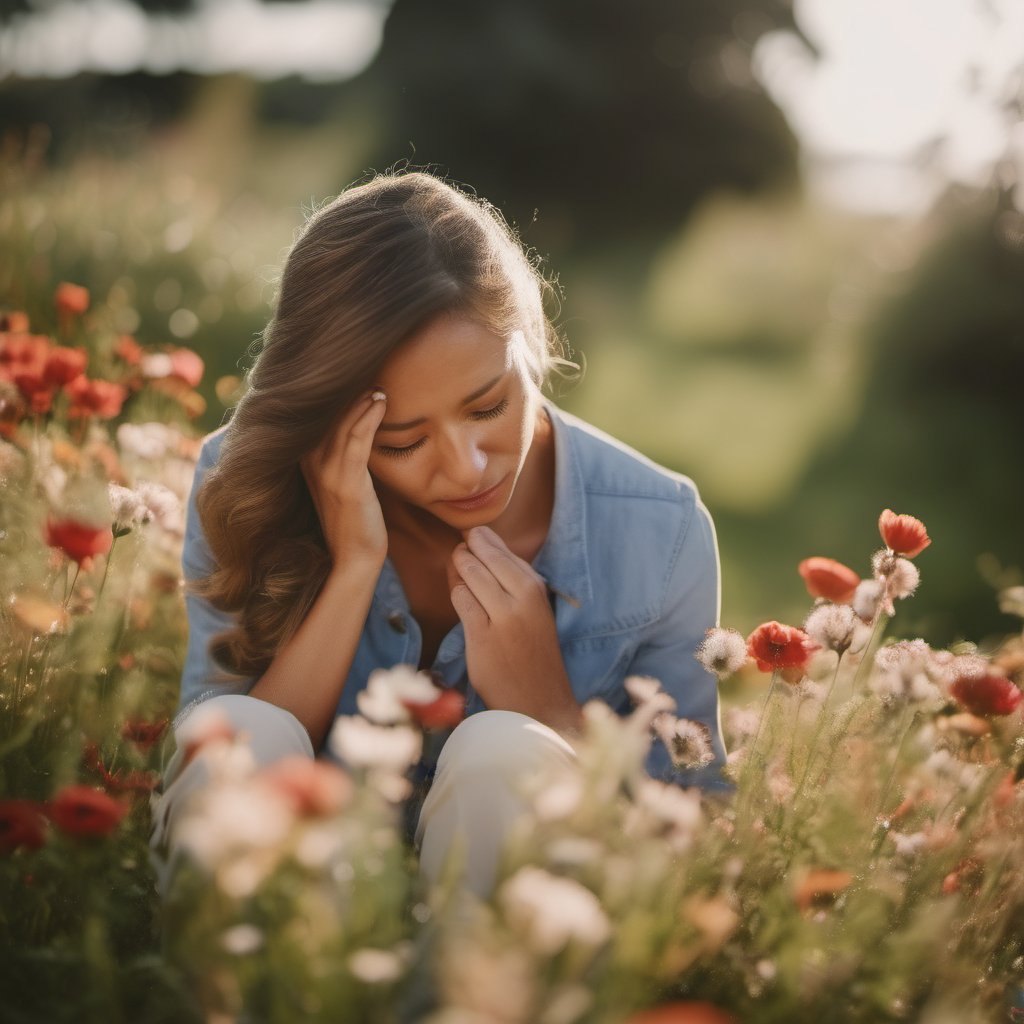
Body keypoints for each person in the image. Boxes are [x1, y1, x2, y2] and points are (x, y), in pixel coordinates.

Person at [153, 170, 729, 898]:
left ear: (530, 340)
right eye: (400, 442)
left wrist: (551, 714)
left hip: (513, 957)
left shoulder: (661, 531)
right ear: (334, 423)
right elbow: (221, 767)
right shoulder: (247, 484)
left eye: (488, 405)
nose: (466, 468)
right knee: (238, 732)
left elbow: (689, 834)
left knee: (505, 751)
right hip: (302, 921)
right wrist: (352, 569)